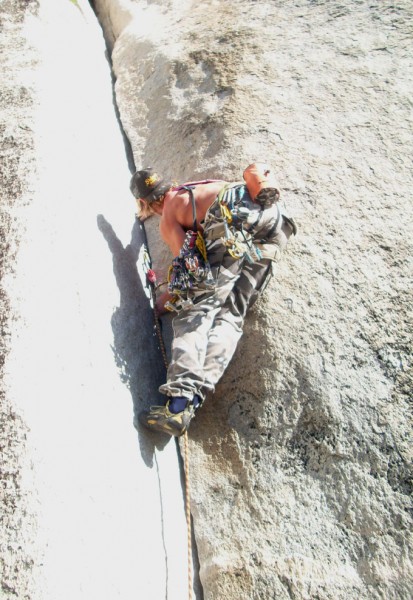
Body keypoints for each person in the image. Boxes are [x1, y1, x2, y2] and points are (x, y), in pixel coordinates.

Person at [130, 166, 296, 436]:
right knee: (231, 314)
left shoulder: (169, 215)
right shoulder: (196, 187)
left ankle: (178, 405)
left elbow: (191, 271)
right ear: (167, 183)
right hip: (276, 222)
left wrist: (163, 303)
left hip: (237, 222)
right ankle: (193, 401)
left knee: (196, 310)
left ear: (144, 202)